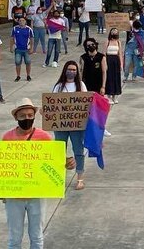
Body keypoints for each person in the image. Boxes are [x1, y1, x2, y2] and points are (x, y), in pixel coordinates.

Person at [0, 98, 66, 249]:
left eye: (30, 115)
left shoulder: (44, 137)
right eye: (23, 116)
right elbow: (1, 165)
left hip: (37, 195)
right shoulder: (7, 137)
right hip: (14, 196)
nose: (27, 119)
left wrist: (68, 163)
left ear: (34, 116)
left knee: (37, 236)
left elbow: (55, 163)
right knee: (14, 237)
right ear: (16, 117)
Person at [52, 61, 90, 190]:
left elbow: (86, 103)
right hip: (60, 125)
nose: (72, 72)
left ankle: (80, 178)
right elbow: (51, 104)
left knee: (78, 151)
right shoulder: (58, 87)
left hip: (77, 126)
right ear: (65, 70)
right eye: (70, 69)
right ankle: (58, 178)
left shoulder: (81, 85)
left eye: (74, 70)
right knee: (59, 151)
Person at [104, 28, 124, 105]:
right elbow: (104, 53)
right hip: (109, 59)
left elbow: (120, 54)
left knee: (116, 77)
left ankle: (114, 96)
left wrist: (121, 64)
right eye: (113, 31)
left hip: (116, 60)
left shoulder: (118, 42)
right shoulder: (107, 41)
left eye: (116, 32)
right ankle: (109, 95)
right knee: (109, 78)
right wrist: (105, 63)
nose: (114, 33)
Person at [11, 16, 34, 82]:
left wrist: (32, 48)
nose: (21, 22)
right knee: (17, 62)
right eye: (20, 20)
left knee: (28, 62)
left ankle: (28, 75)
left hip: (26, 49)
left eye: (23, 20)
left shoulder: (29, 29)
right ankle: (18, 76)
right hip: (18, 49)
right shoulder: (15, 29)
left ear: (25, 21)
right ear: (18, 21)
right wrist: (11, 47)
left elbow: (32, 39)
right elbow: (12, 38)